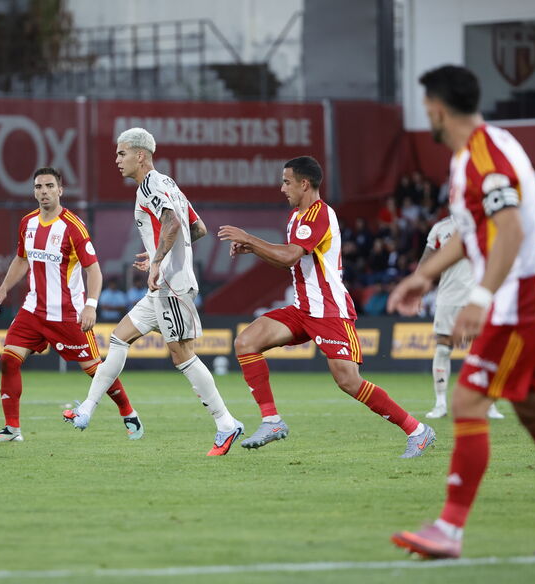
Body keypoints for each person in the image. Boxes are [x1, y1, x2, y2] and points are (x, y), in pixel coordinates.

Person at [388, 65, 535, 559]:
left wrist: (481, 298)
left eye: (427, 108)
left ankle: (449, 529)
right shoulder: (480, 150)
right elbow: (474, 234)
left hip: (519, 304)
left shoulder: (484, 156)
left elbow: (508, 230)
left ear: (439, 109)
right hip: (523, 299)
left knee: (468, 403)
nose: (427, 116)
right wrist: (422, 277)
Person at [217, 156, 436, 458]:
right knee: (246, 341)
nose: (282, 189)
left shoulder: (319, 215)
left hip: (329, 311)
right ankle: (271, 420)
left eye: (286, 182)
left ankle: (418, 430)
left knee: (348, 381)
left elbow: (291, 256)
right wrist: (253, 248)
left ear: (303, 183)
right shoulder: (297, 217)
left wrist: (250, 239)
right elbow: (291, 264)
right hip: (302, 309)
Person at [63, 127, 244, 455]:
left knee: (182, 355)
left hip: (171, 285)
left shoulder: (149, 185)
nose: (116, 160)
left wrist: (160, 261)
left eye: (121, 153)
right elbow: (196, 228)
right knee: (119, 338)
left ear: (140, 155)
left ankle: (226, 423)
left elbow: (174, 223)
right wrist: (158, 250)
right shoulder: (169, 183)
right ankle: (86, 409)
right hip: (164, 285)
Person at [0, 167, 141, 443]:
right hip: (33, 311)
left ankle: (128, 413)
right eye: (38, 187)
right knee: (8, 359)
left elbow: (94, 270)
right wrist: (4, 288)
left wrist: (90, 305)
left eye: (48, 186)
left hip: (68, 315)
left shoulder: (73, 227)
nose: (43, 191)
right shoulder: (27, 223)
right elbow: (21, 259)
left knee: (95, 370)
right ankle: (12, 429)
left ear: (60, 190)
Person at [420, 216, 504, 421]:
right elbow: (426, 261)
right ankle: (440, 403)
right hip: (448, 298)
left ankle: (489, 403)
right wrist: (417, 287)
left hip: (479, 297)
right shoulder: (440, 229)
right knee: (442, 349)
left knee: (488, 350)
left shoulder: (484, 225)